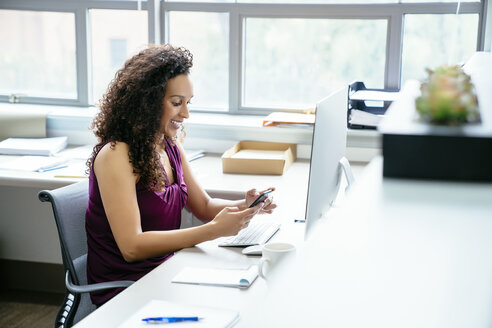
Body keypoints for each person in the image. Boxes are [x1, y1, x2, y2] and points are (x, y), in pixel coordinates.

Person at [85, 44, 276, 307]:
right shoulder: (116, 155)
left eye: (188, 103)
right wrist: (212, 231)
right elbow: (131, 247)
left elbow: (205, 206)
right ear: (147, 102)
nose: (185, 113)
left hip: (167, 270)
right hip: (127, 287)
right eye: (176, 103)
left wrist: (246, 206)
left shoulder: (169, 146)